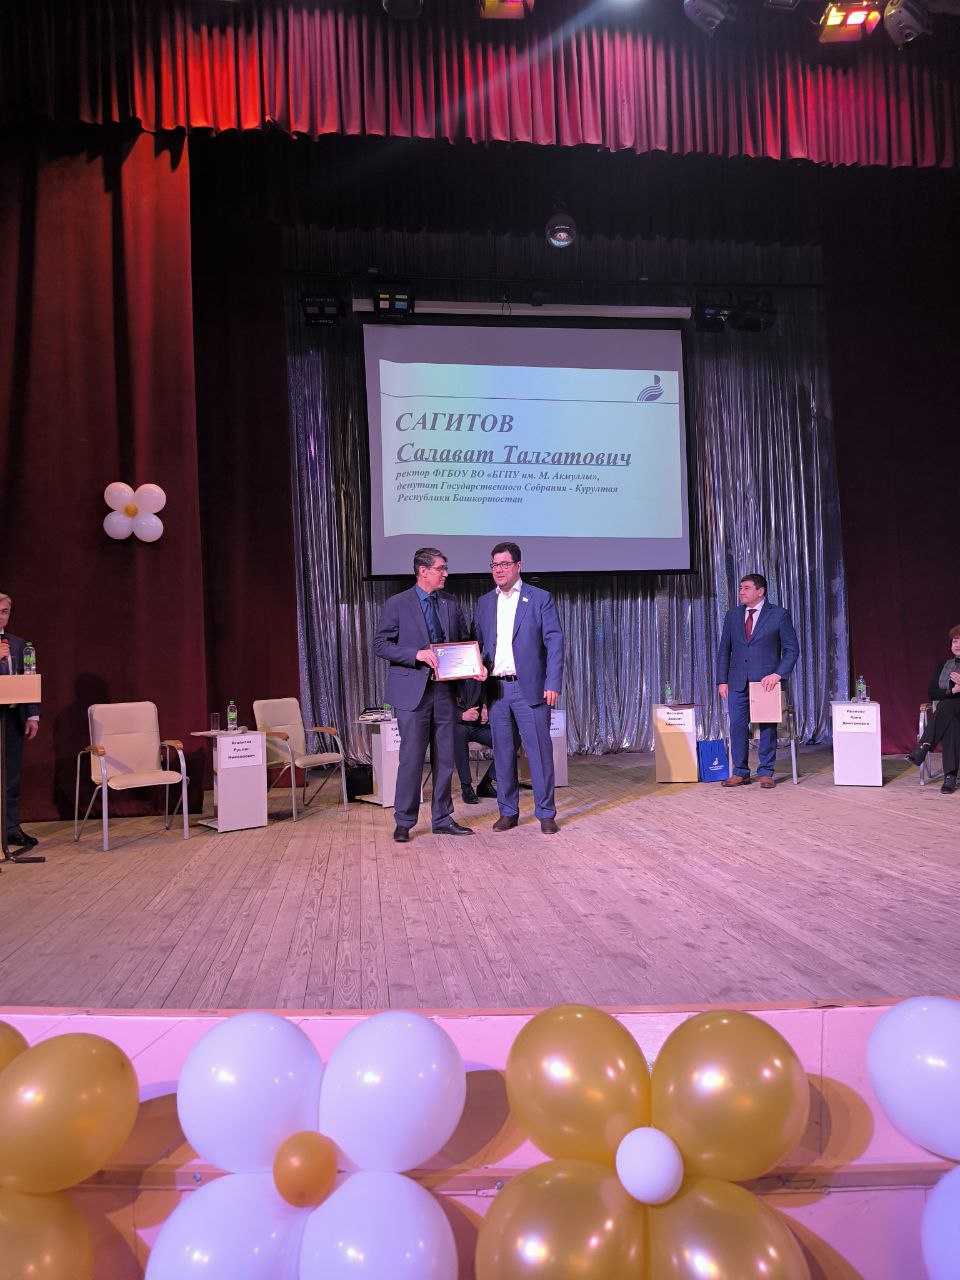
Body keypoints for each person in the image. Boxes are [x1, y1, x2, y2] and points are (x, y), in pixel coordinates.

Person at [373, 548, 482, 842]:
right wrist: (416, 654)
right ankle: (404, 821)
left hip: (445, 692)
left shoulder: (450, 603)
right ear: (423, 571)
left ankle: (442, 818)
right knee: (411, 759)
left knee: (445, 758)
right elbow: (380, 644)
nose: (445, 573)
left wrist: (473, 667)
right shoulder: (398, 603)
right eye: (440, 568)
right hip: (413, 694)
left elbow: (461, 643)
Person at [473, 542, 564, 834]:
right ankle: (508, 812)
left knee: (539, 753)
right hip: (497, 690)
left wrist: (553, 682)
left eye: (504, 564)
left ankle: (546, 813)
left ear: (518, 566)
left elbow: (554, 643)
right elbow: (479, 645)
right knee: (502, 754)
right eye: (494, 565)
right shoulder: (485, 603)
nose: (498, 570)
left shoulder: (540, 598)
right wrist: (478, 666)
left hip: (531, 689)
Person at [716, 573, 800, 790]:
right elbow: (724, 650)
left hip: (766, 682)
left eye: (746, 588)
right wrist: (722, 680)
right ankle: (740, 772)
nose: (741, 592)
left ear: (760, 591)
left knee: (767, 727)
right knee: (737, 726)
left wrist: (778, 674)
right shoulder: (733, 615)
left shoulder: (778, 614)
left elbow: (791, 649)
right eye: (740, 588)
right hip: (737, 681)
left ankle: (766, 772)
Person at [0, 592, 40, 848]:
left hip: (12, 717)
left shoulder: (18, 643)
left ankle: (11, 828)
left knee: (11, 777)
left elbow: (27, 679)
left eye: (4, 611)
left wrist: (32, 714)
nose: (0, 616)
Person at [906, 624, 960, 794]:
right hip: (950, 714)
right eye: (955, 641)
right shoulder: (943, 665)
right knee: (951, 720)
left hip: (948, 709)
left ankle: (924, 746)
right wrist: (952, 691)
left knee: (946, 705)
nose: (957, 645)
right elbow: (932, 693)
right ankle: (950, 776)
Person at [454, 683, 497, 804]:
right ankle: (466, 787)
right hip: (456, 725)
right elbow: (439, 706)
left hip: (478, 725)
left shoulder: (479, 673)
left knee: (507, 740)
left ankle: (486, 783)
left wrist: (486, 708)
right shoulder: (448, 674)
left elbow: (488, 692)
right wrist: (461, 715)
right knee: (459, 733)